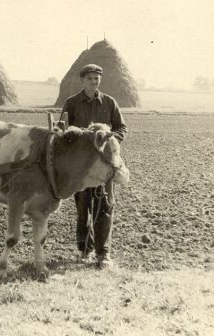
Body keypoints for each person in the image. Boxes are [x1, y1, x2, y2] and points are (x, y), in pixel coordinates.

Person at [60, 64, 128, 268]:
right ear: (83, 80)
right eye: (90, 78)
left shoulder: (109, 102)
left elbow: (122, 127)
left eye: (96, 79)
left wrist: (110, 139)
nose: (93, 82)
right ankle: (85, 250)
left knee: (105, 206)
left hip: (105, 165)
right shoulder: (72, 103)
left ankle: (103, 254)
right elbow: (62, 129)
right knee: (83, 208)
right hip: (80, 167)